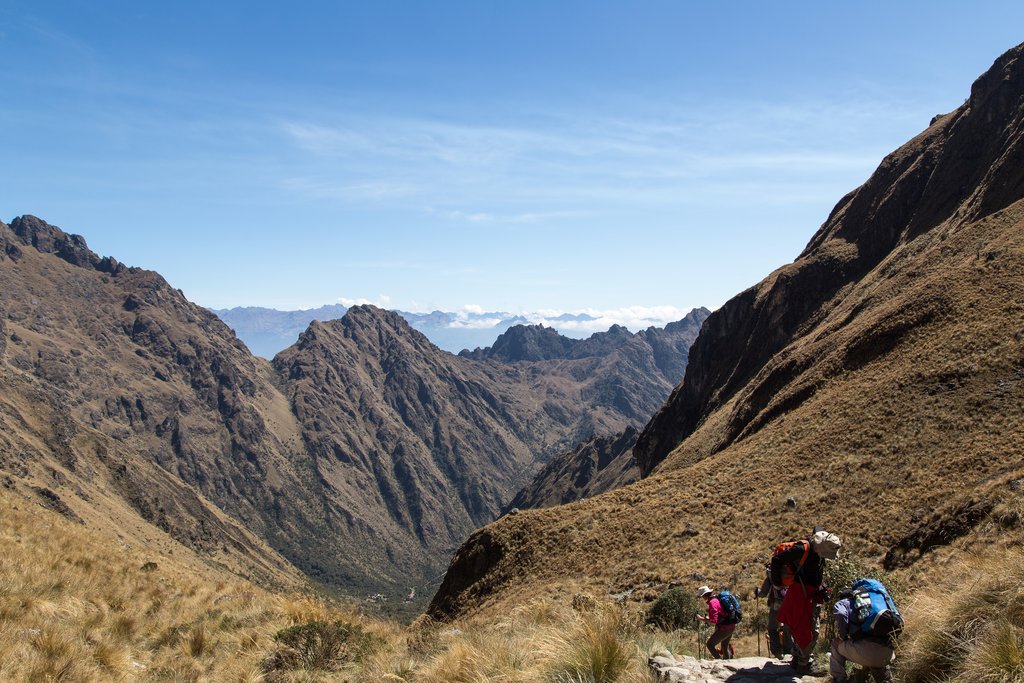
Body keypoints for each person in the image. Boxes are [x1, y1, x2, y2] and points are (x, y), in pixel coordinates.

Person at [772, 529, 842, 674]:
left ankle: (797, 660)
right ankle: (804, 664)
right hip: (800, 595)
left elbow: (814, 574)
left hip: (808, 595)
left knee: (804, 628)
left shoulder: (817, 551)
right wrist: (777, 583)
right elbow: (777, 560)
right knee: (810, 631)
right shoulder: (802, 549)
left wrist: (821, 589)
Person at [829, 582, 898, 683]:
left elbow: (840, 614)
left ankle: (839, 679)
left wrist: (843, 637)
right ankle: (885, 679)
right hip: (888, 654)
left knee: (836, 644)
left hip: (867, 653)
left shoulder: (843, 603)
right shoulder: (871, 607)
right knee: (870, 645)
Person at [757, 564, 794, 658]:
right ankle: (789, 651)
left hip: (775, 604)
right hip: (790, 603)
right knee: (788, 627)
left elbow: (763, 593)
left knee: (772, 628)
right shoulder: (793, 569)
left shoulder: (771, 573)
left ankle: (777, 652)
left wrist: (757, 593)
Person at [696, 585, 734, 659]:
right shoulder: (716, 599)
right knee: (724, 646)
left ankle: (719, 661)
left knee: (710, 644)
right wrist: (708, 618)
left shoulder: (712, 603)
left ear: (704, 596)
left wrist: (701, 619)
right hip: (731, 625)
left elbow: (714, 621)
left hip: (724, 628)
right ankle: (727, 663)